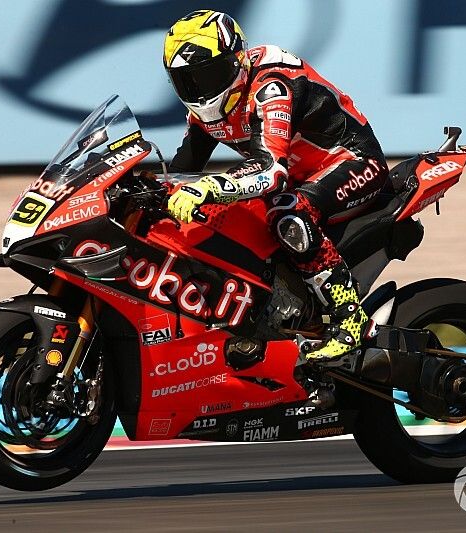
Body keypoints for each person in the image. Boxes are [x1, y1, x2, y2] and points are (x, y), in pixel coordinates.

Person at [162, 9, 388, 363]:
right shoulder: (204, 113)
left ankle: (352, 319)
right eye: (188, 81)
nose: (201, 90)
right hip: (301, 178)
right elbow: (180, 172)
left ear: (237, 61)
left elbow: (270, 171)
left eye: (209, 76)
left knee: (287, 213)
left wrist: (208, 186)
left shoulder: (271, 87)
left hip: (353, 163)